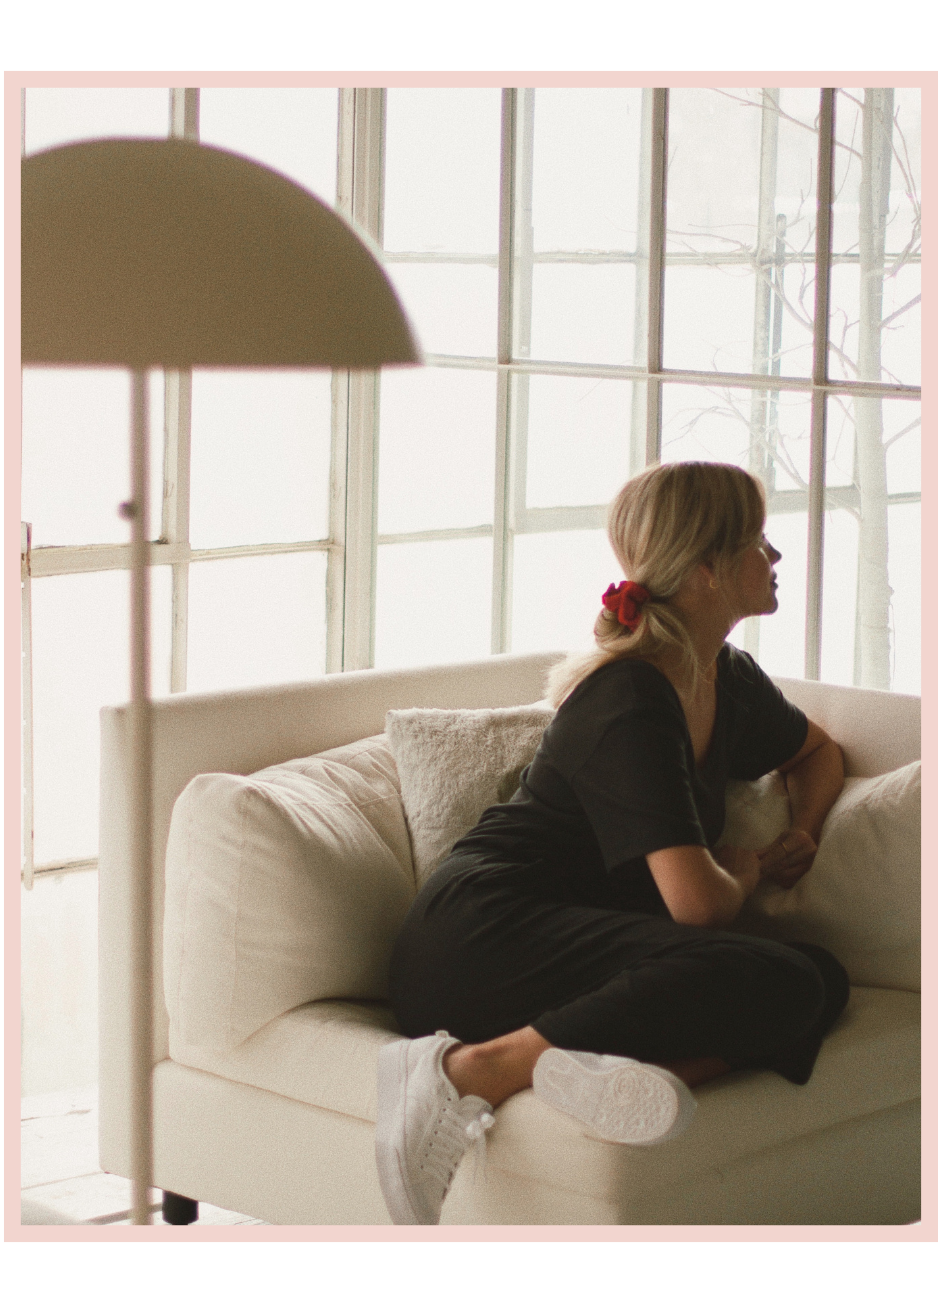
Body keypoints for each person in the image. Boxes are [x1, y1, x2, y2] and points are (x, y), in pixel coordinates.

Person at [375, 461, 849, 1226]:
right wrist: (754, 866)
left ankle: (604, 1068)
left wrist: (804, 830)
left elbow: (817, 752)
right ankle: (472, 1068)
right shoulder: (628, 696)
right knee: (774, 973)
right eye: (759, 541)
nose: (776, 557)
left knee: (818, 976)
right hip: (481, 940)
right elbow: (698, 907)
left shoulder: (724, 676)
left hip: (584, 952)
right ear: (706, 569)